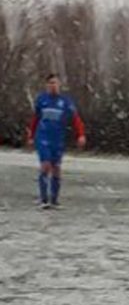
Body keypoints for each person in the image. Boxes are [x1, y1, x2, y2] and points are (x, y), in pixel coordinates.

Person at [27, 74, 86, 209]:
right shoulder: (42, 100)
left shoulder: (65, 102)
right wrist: (31, 136)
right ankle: (43, 199)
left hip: (58, 139)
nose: (52, 86)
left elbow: (76, 120)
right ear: (46, 85)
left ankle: (54, 200)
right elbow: (35, 119)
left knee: (57, 168)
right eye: (50, 83)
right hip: (43, 137)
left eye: (55, 83)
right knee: (45, 165)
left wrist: (81, 134)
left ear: (59, 85)